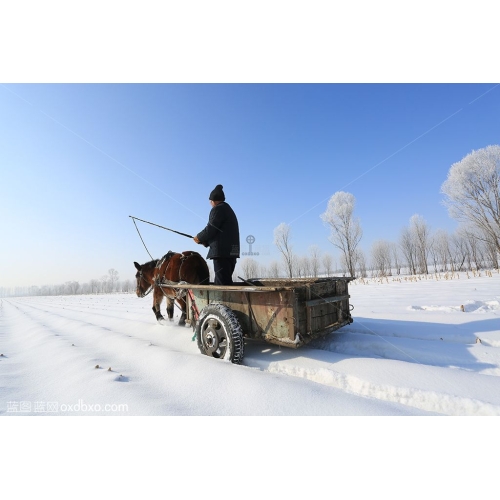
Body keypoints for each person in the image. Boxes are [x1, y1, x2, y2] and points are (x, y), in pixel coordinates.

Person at [194, 184, 240, 285]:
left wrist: (198, 237)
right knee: (225, 281)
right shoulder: (228, 209)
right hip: (230, 253)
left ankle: (223, 301)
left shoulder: (218, 209)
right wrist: (205, 242)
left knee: (222, 284)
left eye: (210, 201)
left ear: (213, 200)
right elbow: (220, 233)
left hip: (222, 254)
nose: (210, 203)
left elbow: (211, 229)